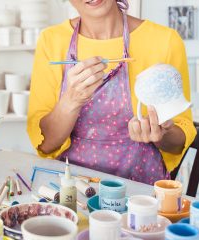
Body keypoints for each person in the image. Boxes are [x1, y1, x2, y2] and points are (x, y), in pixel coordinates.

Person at [27, 0, 196, 185]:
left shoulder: (164, 41)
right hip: (74, 189)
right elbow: (46, 144)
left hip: (142, 195)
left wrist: (161, 134)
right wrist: (71, 100)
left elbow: (179, 141)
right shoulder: (51, 41)